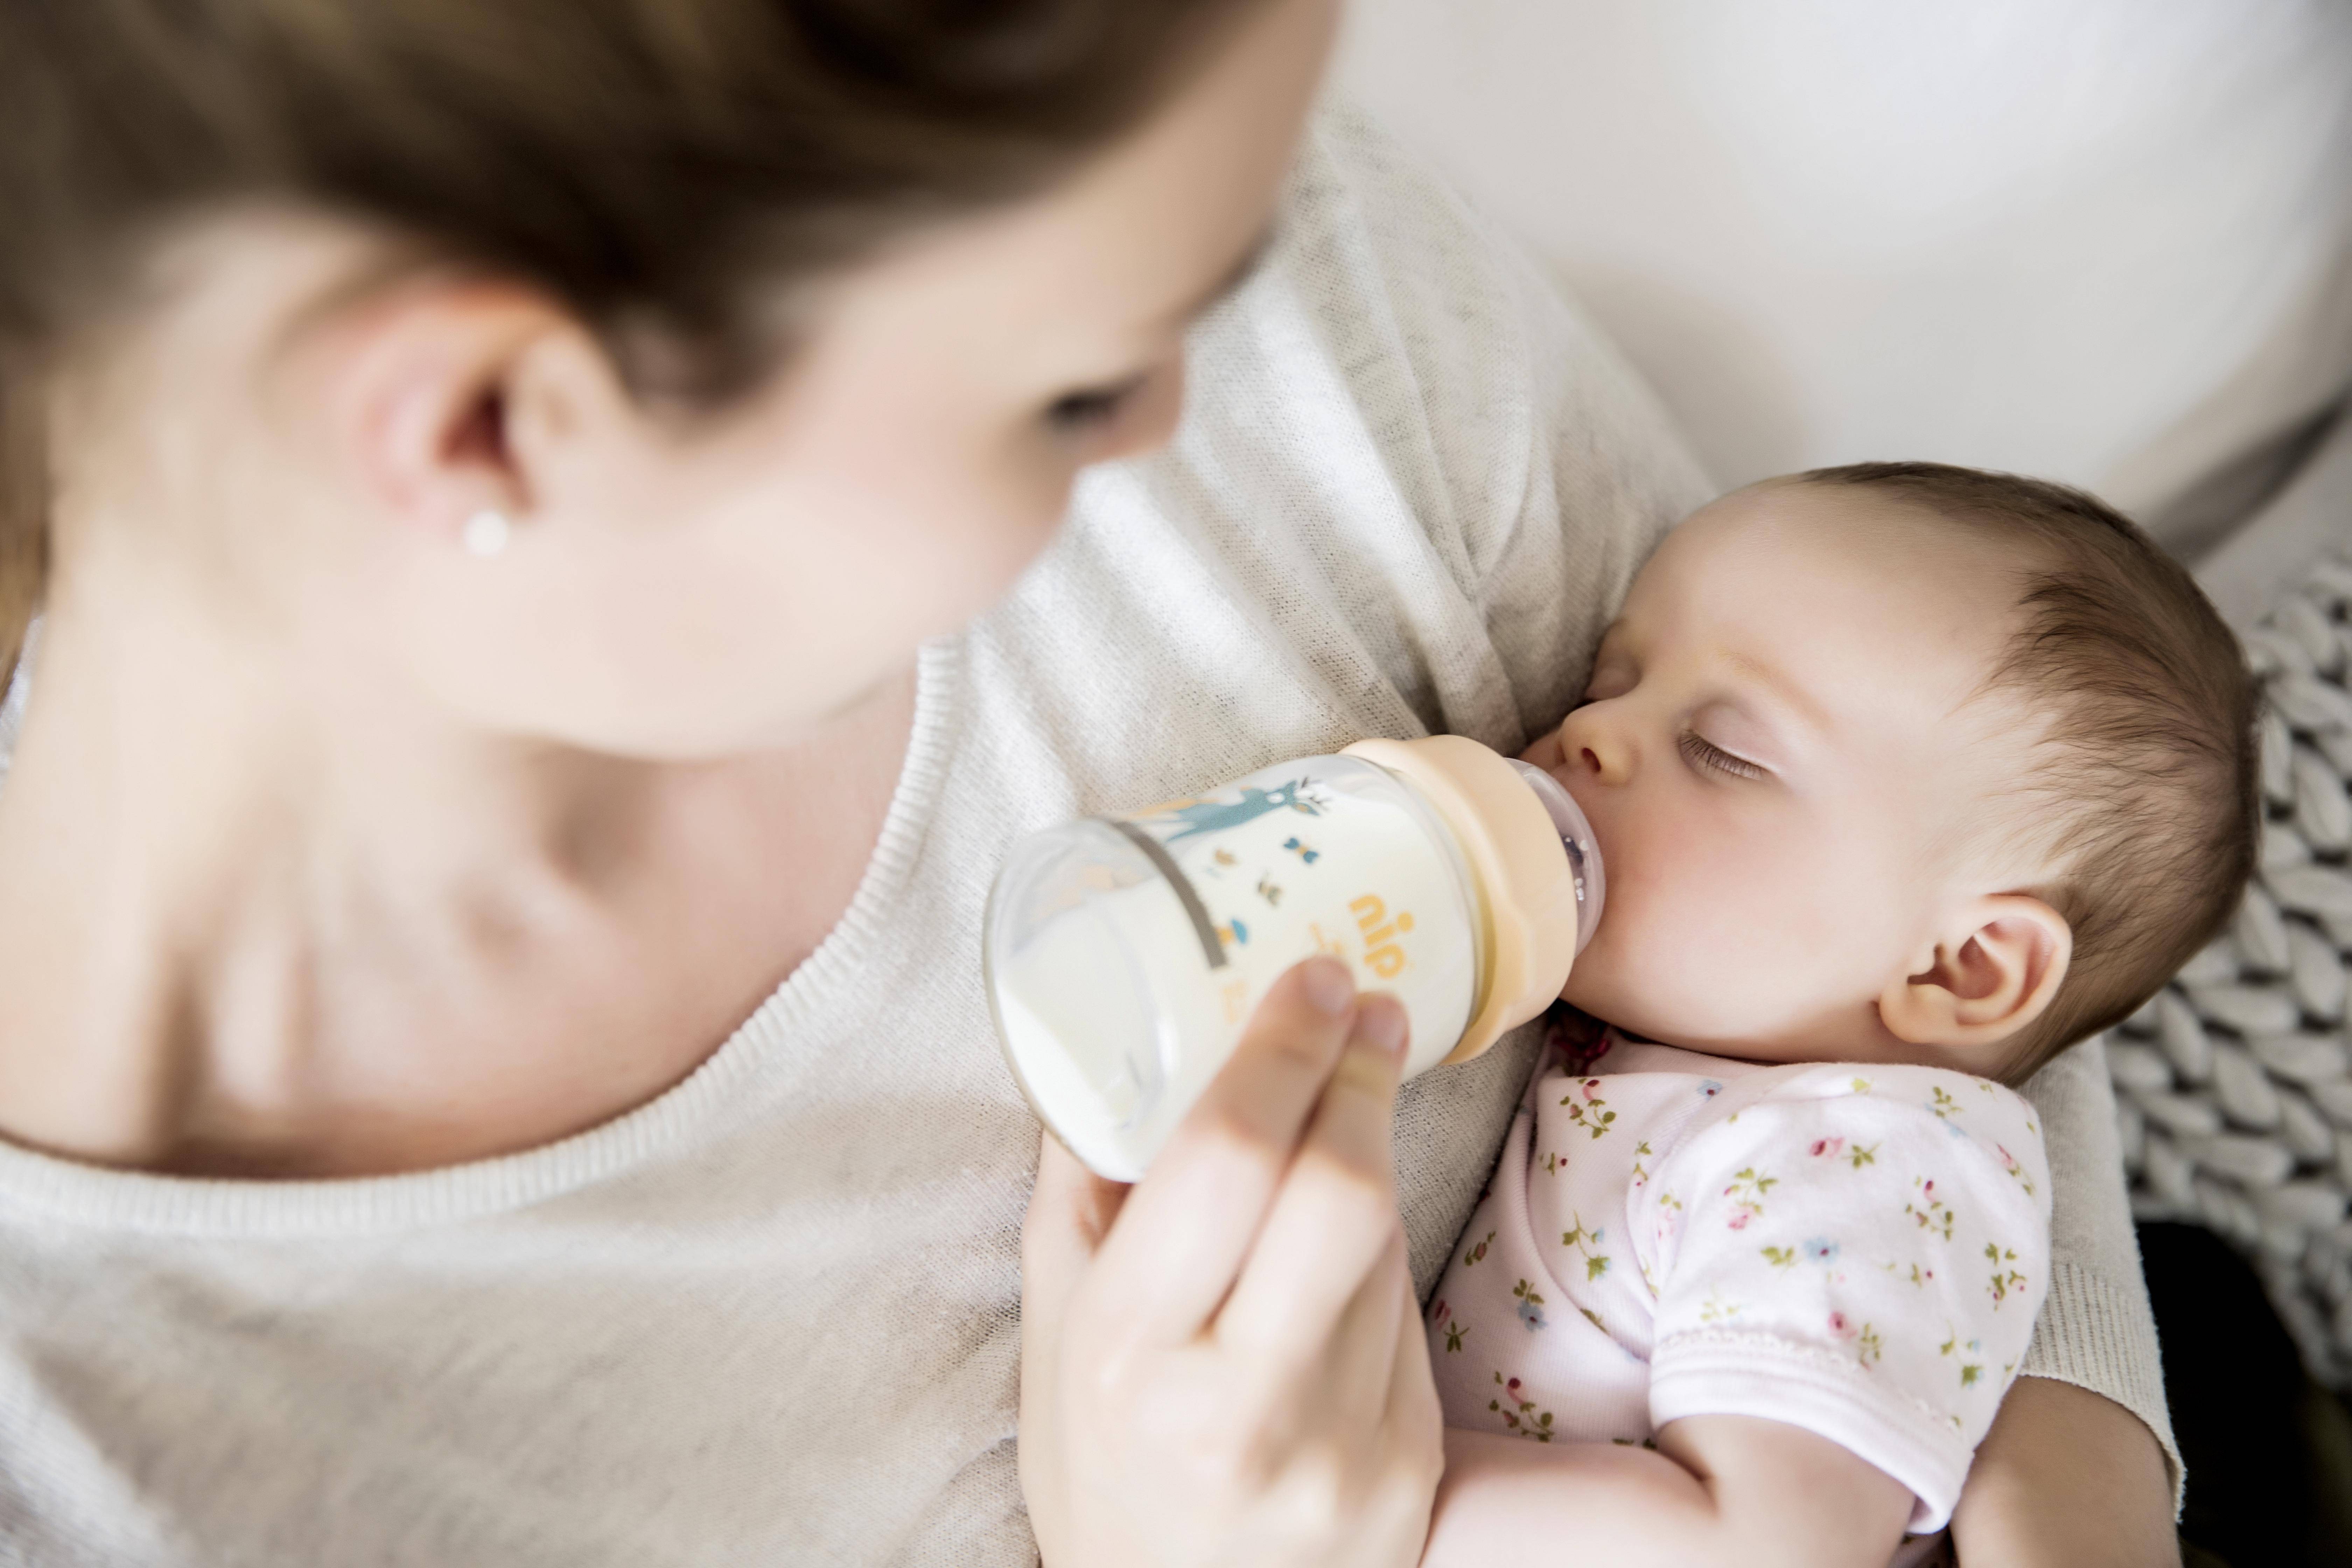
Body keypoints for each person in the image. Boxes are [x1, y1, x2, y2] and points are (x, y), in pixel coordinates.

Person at [0, 1, 2176, 1563]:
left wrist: (2082, 1442)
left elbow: (1947, 812)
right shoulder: (121, 1461)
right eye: (1064, 392)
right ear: (490, 426)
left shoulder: (1246, 278)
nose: (1175, 410)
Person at [1412, 465, 2256, 1564]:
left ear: (1961, 968)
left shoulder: (1857, 1170)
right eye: (1610, 678)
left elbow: (1766, 1546)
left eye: (1725, 752)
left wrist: (1374, 1485)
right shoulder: (1669, 1057)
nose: (1591, 735)